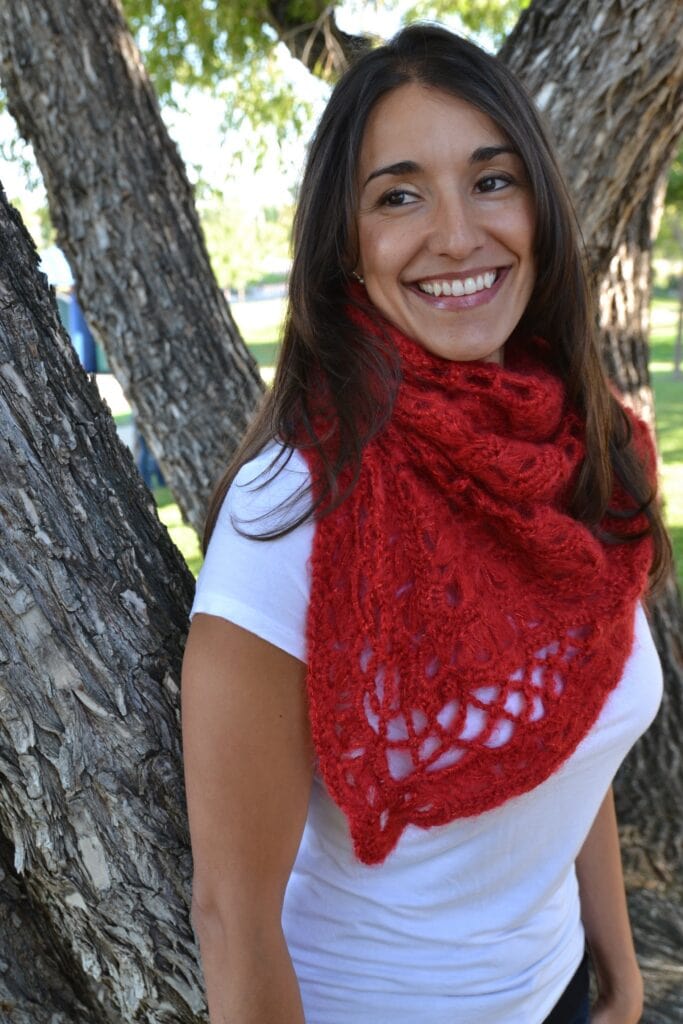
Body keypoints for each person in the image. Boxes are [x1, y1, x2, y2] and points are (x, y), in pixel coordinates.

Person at [181, 24, 669, 1024]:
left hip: (558, 988)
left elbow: (562, 728)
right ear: (345, 246)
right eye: (397, 195)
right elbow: (233, 916)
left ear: (538, 204)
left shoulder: (588, 446)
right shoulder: (294, 508)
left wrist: (614, 968)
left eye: (490, 181)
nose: (454, 234)